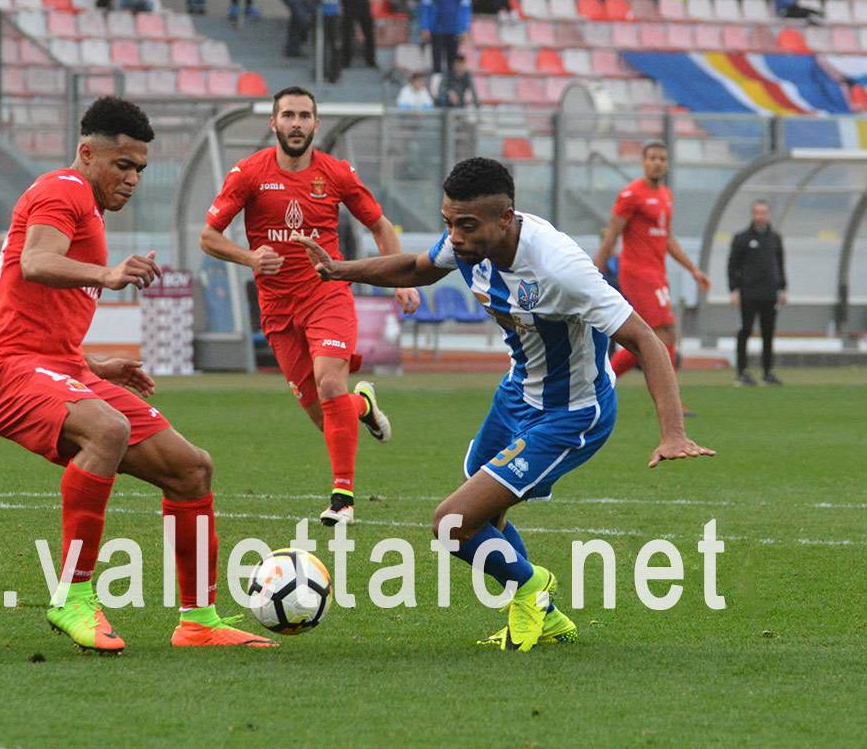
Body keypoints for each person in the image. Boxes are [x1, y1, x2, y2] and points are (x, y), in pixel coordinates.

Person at [298, 157, 715, 651]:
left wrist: (671, 432)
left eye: (465, 225)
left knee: (452, 524)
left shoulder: (562, 269)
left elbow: (646, 339)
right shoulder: (470, 242)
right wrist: (339, 270)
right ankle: (546, 613)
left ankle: (532, 586)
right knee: (482, 513)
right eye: (447, 222)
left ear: (505, 218)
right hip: (516, 392)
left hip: (572, 414)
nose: (454, 236)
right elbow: (416, 267)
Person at [0, 97, 276, 652]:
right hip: (5, 371)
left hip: (58, 366)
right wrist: (107, 274)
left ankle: (199, 621)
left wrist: (97, 366)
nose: (134, 178)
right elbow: (35, 263)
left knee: (192, 470)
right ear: (87, 153)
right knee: (106, 430)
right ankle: (73, 597)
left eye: (140, 168)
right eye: (123, 165)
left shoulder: (89, 209)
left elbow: (35, 314)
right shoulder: (61, 189)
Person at [200, 86, 420, 526]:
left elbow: (378, 224)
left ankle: (342, 500)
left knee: (328, 381)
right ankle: (362, 406)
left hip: (328, 293)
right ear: (274, 123)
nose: (296, 123)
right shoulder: (247, 174)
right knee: (327, 417)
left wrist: (402, 279)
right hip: (278, 308)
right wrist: (250, 257)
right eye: (288, 116)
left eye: (304, 116)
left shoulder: (336, 173)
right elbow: (208, 236)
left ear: (316, 125)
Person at [592, 143, 710, 393]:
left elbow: (667, 238)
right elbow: (612, 233)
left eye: (662, 159)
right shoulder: (631, 194)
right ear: (643, 163)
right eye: (652, 158)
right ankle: (670, 401)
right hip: (637, 273)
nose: (657, 163)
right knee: (664, 331)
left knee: (652, 337)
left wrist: (693, 269)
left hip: (656, 274)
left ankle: (597, 387)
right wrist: (593, 272)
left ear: (667, 164)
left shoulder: (665, 195)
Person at [728, 200, 786, 387]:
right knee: (745, 331)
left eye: (764, 213)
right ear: (752, 215)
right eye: (757, 212)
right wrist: (733, 290)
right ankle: (742, 372)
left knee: (768, 333)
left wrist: (783, 288)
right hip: (748, 292)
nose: (760, 216)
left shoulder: (774, 238)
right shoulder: (742, 238)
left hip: (769, 293)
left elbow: (780, 265)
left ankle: (767, 372)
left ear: (768, 215)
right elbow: (732, 266)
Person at [421, 0, 471, 75]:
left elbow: (466, 11)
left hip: (454, 30)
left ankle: (449, 86)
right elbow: (425, 9)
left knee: (452, 61)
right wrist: (425, 27)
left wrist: (465, 29)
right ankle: (436, 85)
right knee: (437, 60)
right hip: (437, 30)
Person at [308, 0, 345, 83]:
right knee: (320, 45)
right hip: (320, 16)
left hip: (334, 15)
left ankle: (335, 73)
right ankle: (320, 72)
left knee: (336, 44)